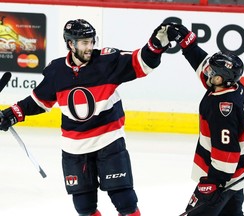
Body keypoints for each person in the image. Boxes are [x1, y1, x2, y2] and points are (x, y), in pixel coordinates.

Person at [0, 19, 171, 216]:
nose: (90, 47)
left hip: (109, 141)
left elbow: (141, 62)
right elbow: (38, 101)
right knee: (84, 207)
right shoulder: (57, 71)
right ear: (71, 44)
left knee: (126, 202)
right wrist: (11, 115)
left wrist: (156, 45)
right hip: (74, 149)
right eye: (84, 43)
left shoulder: (107, 61)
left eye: (91, 41)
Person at [166, 23, 244, 216]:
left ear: (221, 79)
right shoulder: (234, 88)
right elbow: (202, 65)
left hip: (222, 178)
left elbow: (227, 151)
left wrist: (213, 183)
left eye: (213, 73)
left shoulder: (222, 108)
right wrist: (188, 44)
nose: (208, 72)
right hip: (237, 177)